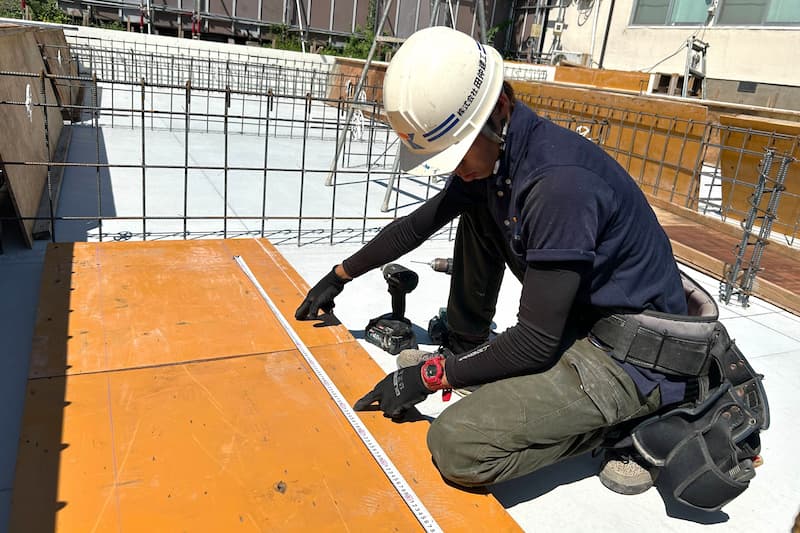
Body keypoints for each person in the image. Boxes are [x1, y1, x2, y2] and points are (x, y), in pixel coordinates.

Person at [294, 26, 715, 495]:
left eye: (457, 153)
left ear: (499, 110)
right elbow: (417, 226)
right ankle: (468, 344)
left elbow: (535, 342)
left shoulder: (558, 185)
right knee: (477, 209)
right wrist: (339, 276)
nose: (456, 169)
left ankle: (630, 423)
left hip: (627, 359)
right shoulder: (498, 159)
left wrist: (432, 377)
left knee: (457, 445)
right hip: (581, 323)